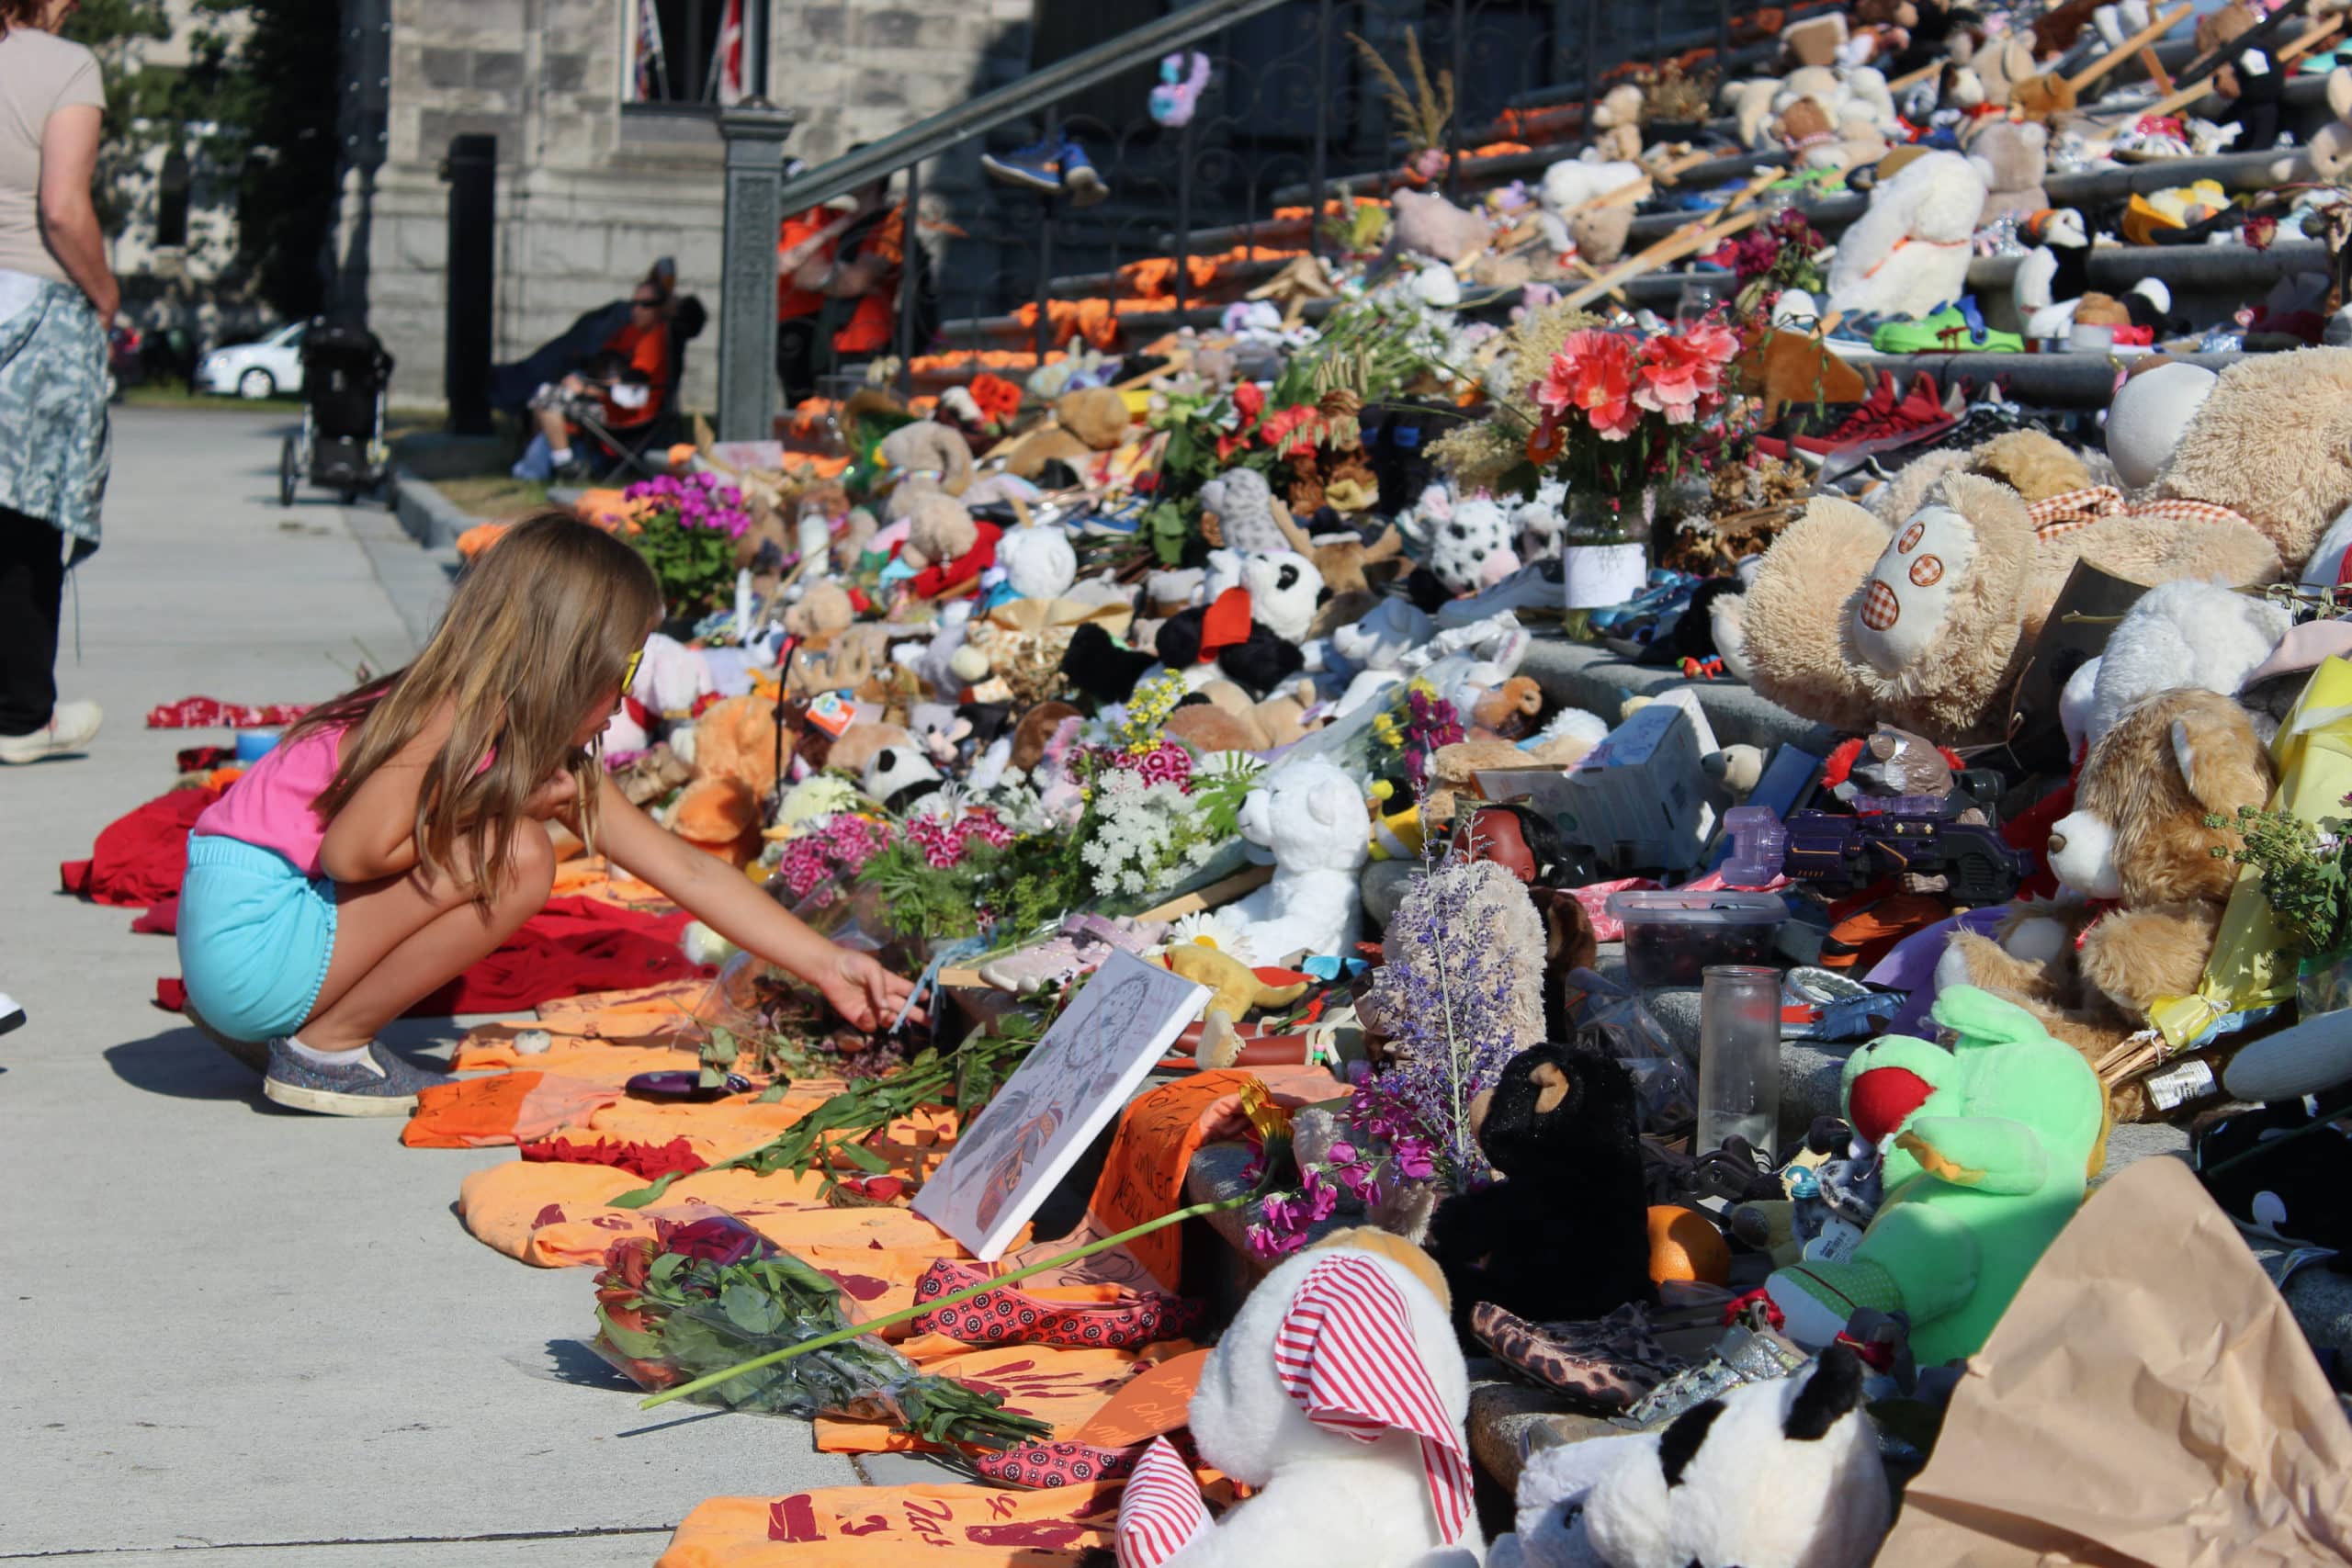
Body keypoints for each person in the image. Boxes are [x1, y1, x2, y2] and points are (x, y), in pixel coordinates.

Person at [175, 513, 918, 1116]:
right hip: (252, 937)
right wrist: (502, 804)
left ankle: (300, 1030)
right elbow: (354, 855)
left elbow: (685, 866)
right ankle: (327, 1049)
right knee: (519, 853)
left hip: (249, 941)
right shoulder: (451, 710)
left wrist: (829, 963)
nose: (630, 695)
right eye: (627, 669)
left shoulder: (504, 728)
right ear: (566, 662)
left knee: (515, 839)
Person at [0, 0, 117, 765]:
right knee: (25, 510)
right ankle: (20, 714)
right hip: (29, 307)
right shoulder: (64, 66)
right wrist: (104, 293)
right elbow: (62, 209)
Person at [775, 165, 933, 403]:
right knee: (815, 413)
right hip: (831, 340)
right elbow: (801, 276)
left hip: (866, 343)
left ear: (873, 178)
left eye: (855, 166)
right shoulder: (847, 222)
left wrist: (833, 278)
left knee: (853, 417)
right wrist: (839, 277)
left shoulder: (889, 225)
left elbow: (856, 280)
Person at [513, 270, 673, 480]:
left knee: (547, 400)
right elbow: (601, 360)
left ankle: (565, 465)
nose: (636, 310)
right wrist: (581, 378)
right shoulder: (631, 332)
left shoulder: (656, 337)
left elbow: (633, 383)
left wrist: (586, 387)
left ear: (659, 308)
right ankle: (543, 463)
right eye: (633, 304)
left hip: (628, 413)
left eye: (645, 304)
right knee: (543, 395)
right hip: (607, 401)